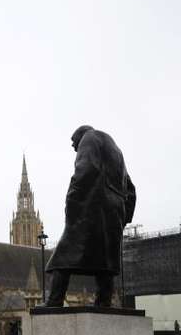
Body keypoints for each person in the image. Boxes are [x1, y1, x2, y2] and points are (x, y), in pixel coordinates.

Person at [45, 125, 136, 307]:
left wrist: (72, 200)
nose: (74, 148)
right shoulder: (116, 151)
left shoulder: (90, 138)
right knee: (106, 262)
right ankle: (104, 302)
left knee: (62, 257)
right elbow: (131, 190)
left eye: (74, 143)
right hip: (114, 212)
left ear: (80, 136)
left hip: (91, 207)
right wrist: (125, 216)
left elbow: (86, 169)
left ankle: (54, 300)